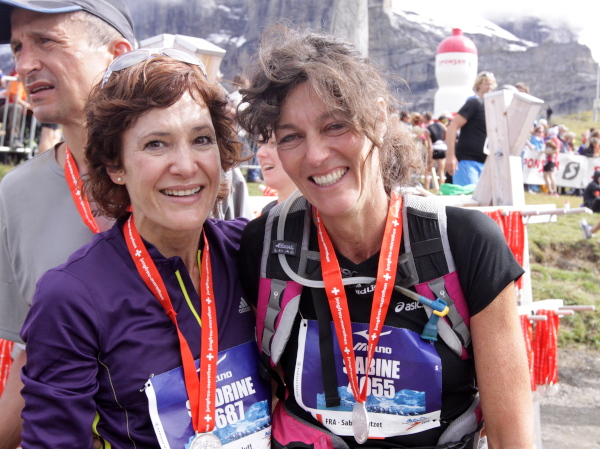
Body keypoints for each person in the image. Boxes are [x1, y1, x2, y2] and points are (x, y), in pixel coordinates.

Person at [236, 27, 533, 448]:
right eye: (291, 137)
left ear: (377, 116)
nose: (316, 155)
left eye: (335, 125)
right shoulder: (266, 246)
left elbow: (511, 436)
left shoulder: (465, 243)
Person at [20, 51, 271, 448]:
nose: (185, 166)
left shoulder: (253, 249)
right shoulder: (73, 296)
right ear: (115, 166)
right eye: (156, 144)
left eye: (201, 139)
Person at [0, 1, 134, 447]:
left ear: (116, 54)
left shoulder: (191, 179)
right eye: (18, 47)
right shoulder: (17, 194)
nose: (24, 64)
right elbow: (30, 356)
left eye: (45, 40)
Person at [445, 71, 497, 186]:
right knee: (468, 195)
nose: (489, 87)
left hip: (485, 162)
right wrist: (450, 155)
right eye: (486, 84)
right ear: (479, 85)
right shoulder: (474, 103)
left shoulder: (492, 107)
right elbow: (453, 126)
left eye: (491, 84)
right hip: (467, 160)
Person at [256, 137, 297, 214]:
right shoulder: (266, 214)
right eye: (259, 146)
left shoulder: (317, 215)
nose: (259, 153)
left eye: (274, 143)